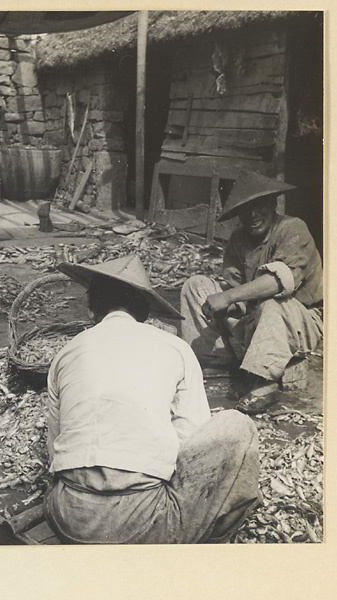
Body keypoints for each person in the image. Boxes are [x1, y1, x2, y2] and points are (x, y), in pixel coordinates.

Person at [43, 254, 260, 544]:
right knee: (238, 425)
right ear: (145, 312)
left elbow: (54, 451)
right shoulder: (176, 347)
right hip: (142, 520)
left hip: (66, 515)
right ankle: (207, 542)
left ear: (92, 310)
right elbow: (191, 443)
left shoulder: (66, 352)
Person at [181, 170, 323, 415]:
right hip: (255, 320)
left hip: (299, 321)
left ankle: (264, 380)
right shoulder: (238, 239)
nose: (253, 215)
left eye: (259, 206)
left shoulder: (293, 228)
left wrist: (228, 298)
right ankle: (215, 359)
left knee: (272, 303)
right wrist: (228, 304)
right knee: (196, 286)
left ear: (273, 203)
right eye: (246, 210)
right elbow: (236, 291)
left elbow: (280, 283)